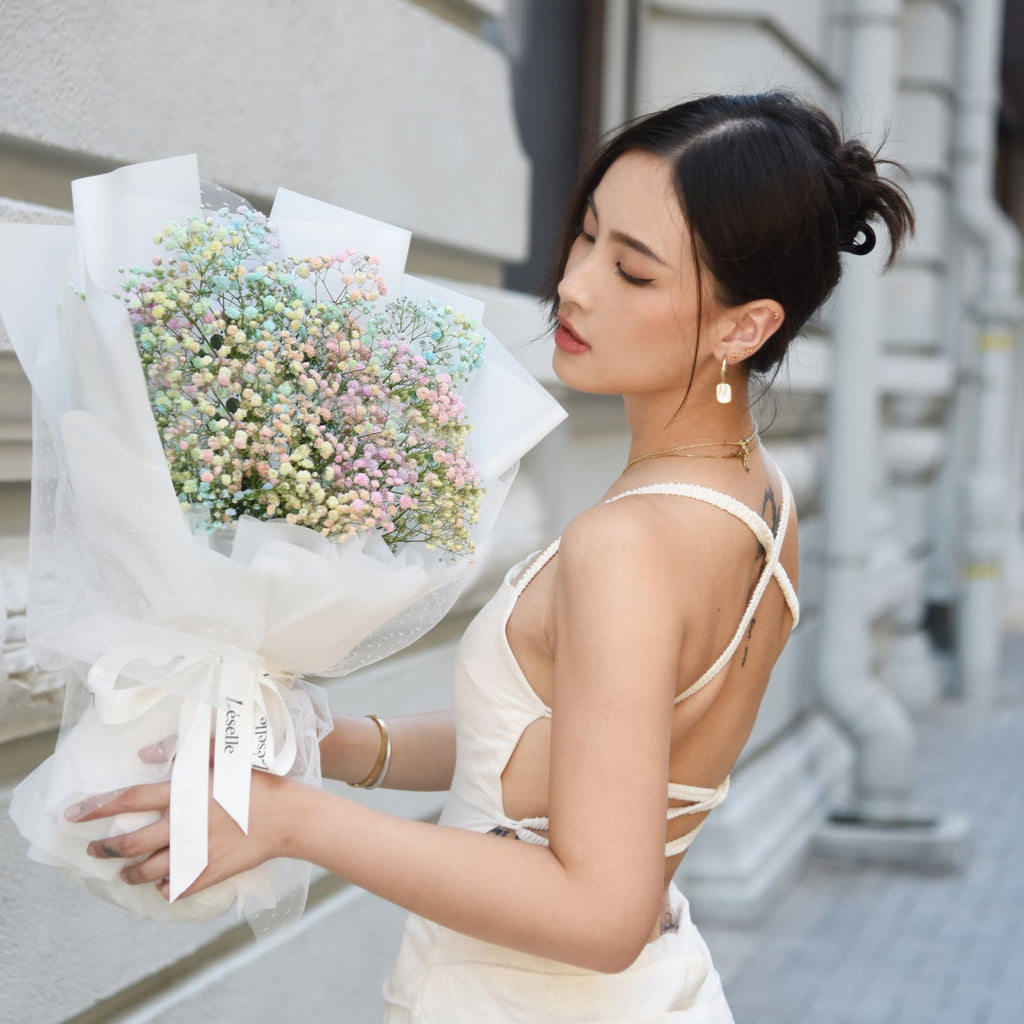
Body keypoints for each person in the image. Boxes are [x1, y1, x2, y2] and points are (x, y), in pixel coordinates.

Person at [72, 92, 913, 1021]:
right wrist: (342, 746)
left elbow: (602, 913)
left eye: (634, 273)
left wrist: (293, 821)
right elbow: (567, 749)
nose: (579, 283)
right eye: (588, 235)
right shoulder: (759, 499)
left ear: (744, 327)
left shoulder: (627, 545)